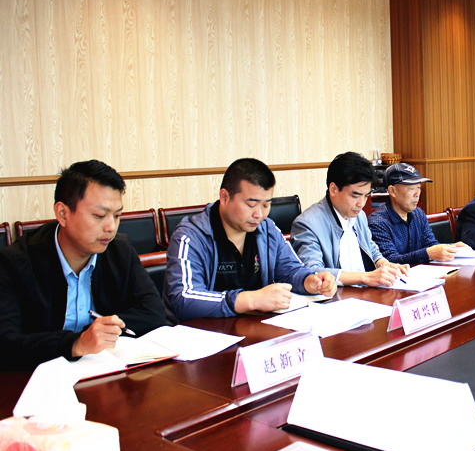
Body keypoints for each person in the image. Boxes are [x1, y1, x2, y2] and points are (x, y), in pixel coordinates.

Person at [0, 160, 166, 370]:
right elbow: (5, 343)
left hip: (104, 372)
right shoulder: (15, 263)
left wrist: (98, 333)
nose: (111, 227)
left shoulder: (119, 249)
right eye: (99, 216)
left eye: (117, 215)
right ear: (63, 214)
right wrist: (77, 343)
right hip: (39, 377)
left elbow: (153, 313)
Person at [163, 159, 335, 322]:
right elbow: (183, 299)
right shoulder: (191, 236)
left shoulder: (267, 229)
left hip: (256, 329)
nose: (259, 214)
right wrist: (250, 300)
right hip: (203, 334)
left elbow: (291, 271)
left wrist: (309, 281)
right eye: (251, 205)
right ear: (224, 197)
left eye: (266, 205)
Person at [292, 152, 408, 286]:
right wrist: (364, 277)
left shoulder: (359, 216)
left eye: (366, 196)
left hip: (364, 291)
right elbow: (312, 271)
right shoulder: (307, 224)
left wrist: (385, 264)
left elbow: (370, 247)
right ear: (333, 189)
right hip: (337, 295)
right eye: (355, 196)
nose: (361, 203)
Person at [368, 163, 465, 265]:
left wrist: (452, 248)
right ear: (392, 191)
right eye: (411, 188)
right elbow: (390, 260)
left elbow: (431, 244)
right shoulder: (378, 222)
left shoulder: (418, 213)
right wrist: (428, 254)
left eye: (418, 187)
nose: (417, 194)